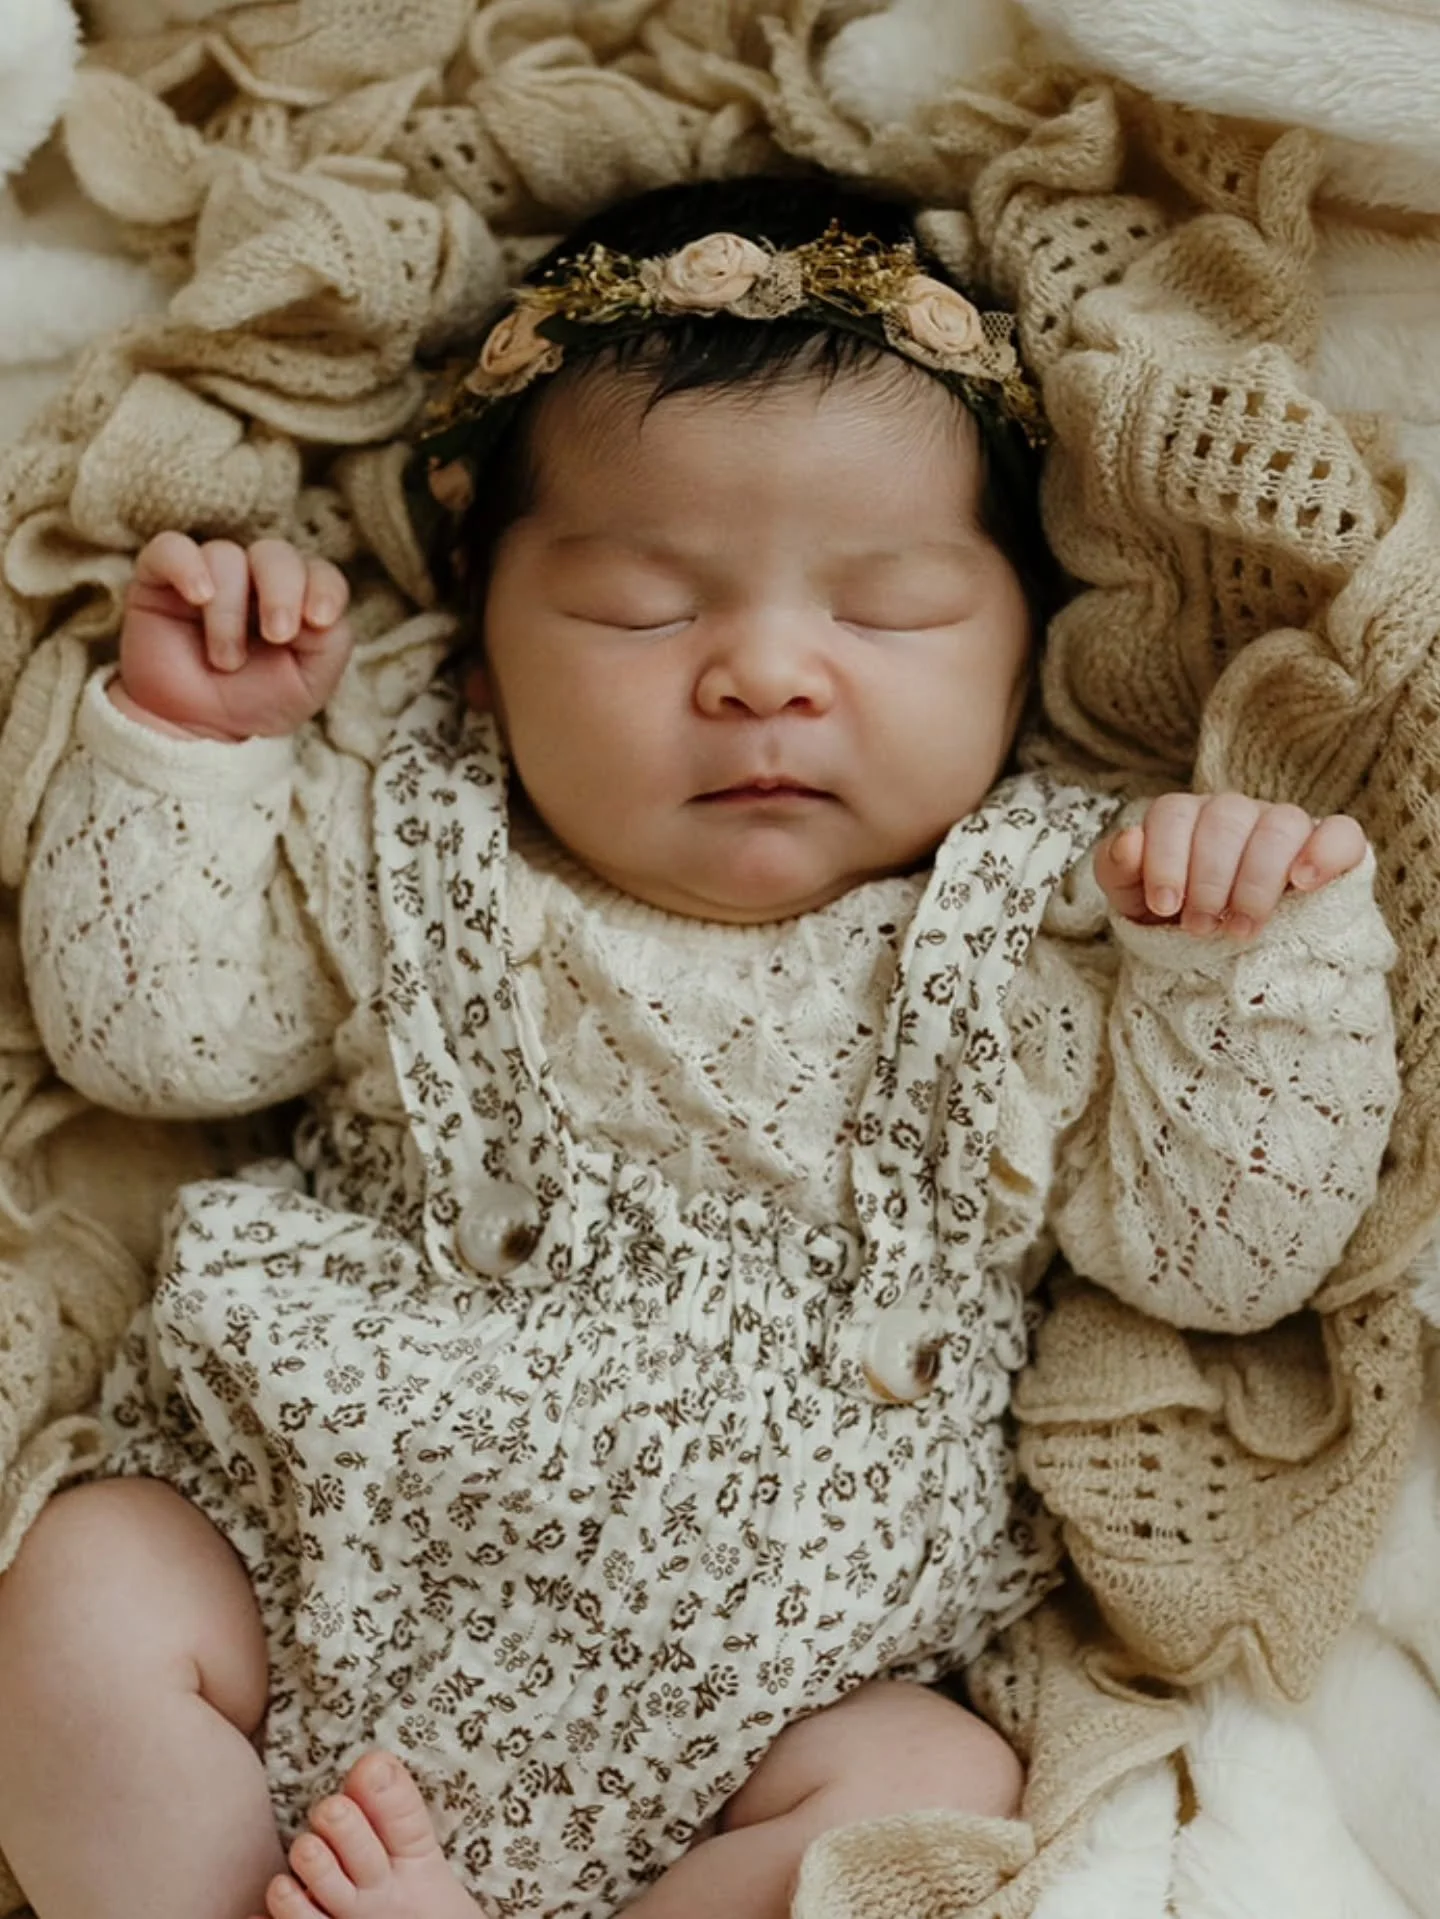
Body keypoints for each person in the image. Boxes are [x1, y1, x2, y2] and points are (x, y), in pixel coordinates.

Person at [0, 175, 1399, 1919]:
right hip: (301, 1547)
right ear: (485, 661)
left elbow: (1226, 1260)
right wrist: (195, 749)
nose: (763, 673)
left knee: (930, 1780)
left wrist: (1247, 970)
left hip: (764, 1692)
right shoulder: (411, 830)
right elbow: (154, 1040)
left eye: (883, 611)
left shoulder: (1054, 927)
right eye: (646, 609)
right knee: (89, 1578)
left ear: (1022, 646)